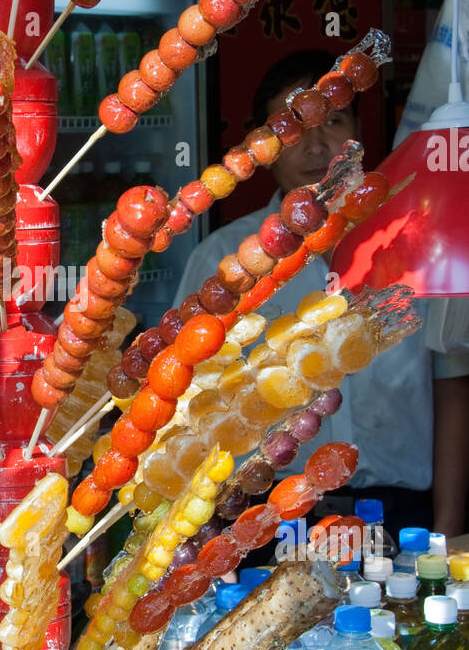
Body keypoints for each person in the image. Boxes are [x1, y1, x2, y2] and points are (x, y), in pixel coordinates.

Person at [174, 49, 469, 539]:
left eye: (333, 120)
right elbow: (193, 408)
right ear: (262, 146)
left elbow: (453, 386)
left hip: (403, 519)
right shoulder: (225, 261)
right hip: (266, 521)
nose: (314, 146)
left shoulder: (420, 247)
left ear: (358, 129)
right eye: (290, 129)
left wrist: (448, 528)